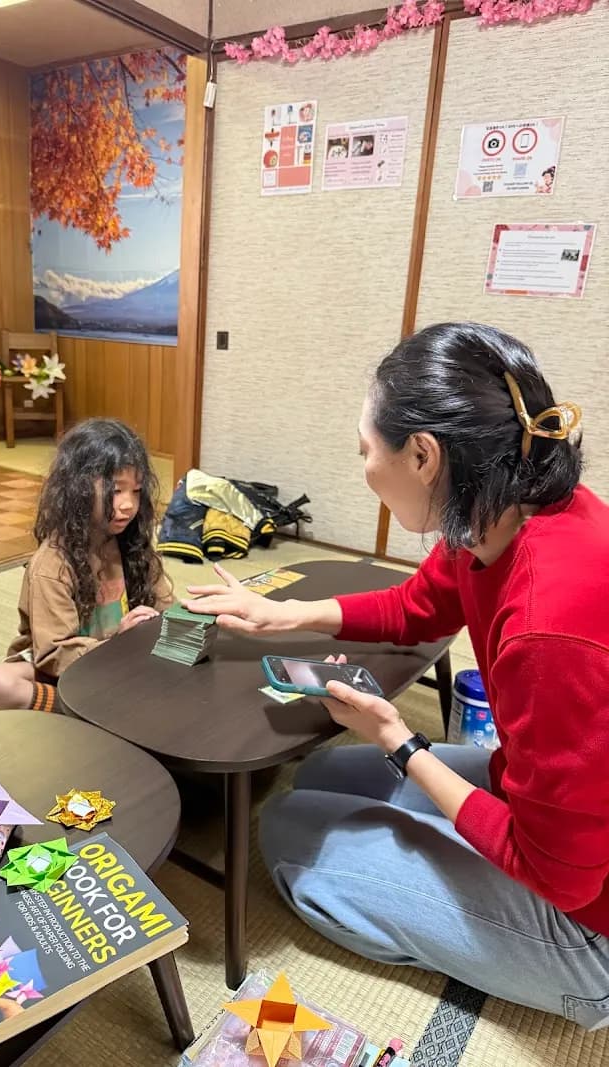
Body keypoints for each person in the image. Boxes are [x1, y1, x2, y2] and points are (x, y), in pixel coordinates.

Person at [184, 322, 609, 1028]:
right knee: (318, 778)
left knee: (287, 833)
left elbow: (563, 874)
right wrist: (282, 613)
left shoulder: (549, 629)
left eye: (364, 449)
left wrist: (400, 742)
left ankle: (529, 964)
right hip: (546, 803)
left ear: (422, 455)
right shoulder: (501, 509)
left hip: (588, 919)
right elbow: (417, 607)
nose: (363, 468)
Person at [0, 418, 172, 711]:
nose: (128, 504)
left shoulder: (133, 545)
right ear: (78, 489)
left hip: (119, 661)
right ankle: (78, 710)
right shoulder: (53, 562)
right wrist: (119, 644)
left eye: (135, 491)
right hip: (63, 668)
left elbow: (165, 607)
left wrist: (189, 620)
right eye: (116, 490)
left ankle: (96, 704)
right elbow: (53, 653)